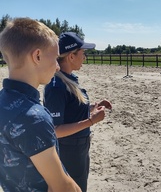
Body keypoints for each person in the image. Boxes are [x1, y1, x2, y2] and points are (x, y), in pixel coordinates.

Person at [0, 18, 81, 191]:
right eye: (55, 58)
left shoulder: (3, 101)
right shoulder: (32, 117)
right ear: (37, 56)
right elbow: (61, 186)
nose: (58, 67)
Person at [43, 32, 112, 192]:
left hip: (78, 147)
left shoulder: (68, 79)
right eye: (82, 53)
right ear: (71, 57)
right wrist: (91, 121)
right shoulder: (56, 87)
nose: (85, 57)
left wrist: (93, 106)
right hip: (69, 150)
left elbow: (72, 110)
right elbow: (55, 131)